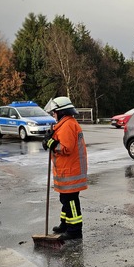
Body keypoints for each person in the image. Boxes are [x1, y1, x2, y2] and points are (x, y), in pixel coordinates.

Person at [42, 96, 88, 240]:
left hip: (71, 171)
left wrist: (51, 143)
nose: (53, 114)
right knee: (65, 199)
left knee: (71, 201)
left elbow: (65, 148)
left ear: (61, 112)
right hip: (68, 169)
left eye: (54, 112)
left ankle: (74, 231)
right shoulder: (64, 124)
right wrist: (51, 139)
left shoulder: (67, 125)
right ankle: (65, 224)